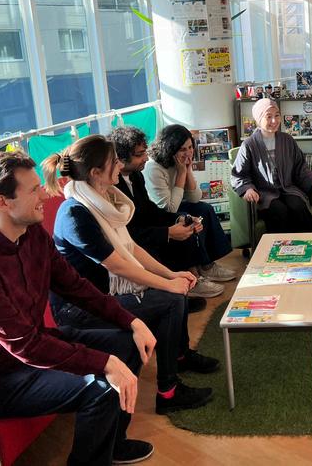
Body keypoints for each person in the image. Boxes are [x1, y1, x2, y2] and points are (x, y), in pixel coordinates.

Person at [0, 151, 157, 465]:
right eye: (33, 190)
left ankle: (113, 444)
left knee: (128, 343)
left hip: (37, 347)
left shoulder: (31, 235)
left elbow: (76, 287)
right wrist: (104, 362)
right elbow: (25, 346)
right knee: (103, 387)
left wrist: (131, 321)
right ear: (2, 202)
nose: (45, 194)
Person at [43, 135, 218, 416]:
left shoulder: (103, 199)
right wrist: (169, 284)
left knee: (175, 295)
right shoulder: (75, 213)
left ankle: (179, 358)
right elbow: (119, 266)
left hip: (103, 296)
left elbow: (132, 248)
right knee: (172, 299)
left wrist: (171, 275)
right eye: (114, 162)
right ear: (95, 173)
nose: (120, 165)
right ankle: (169, 392)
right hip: (79, 309)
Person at [109, 126, 236, 307]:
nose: (145, 158)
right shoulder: (121, 182)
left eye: (190, 147)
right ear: (120, 158)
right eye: (139, 154)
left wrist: (179, 219)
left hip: (149, 223)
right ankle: (190, 279)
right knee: (181, 224)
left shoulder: (135, 175)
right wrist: (168, 231)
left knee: (195, 214)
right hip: (135, 238)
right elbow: (134, 229)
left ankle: (203, 268)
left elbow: (152, 209)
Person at [143, 124, 235, 298]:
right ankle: (192, 277)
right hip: (159, 215)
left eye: (190, 147)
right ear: (170, 149)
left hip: (175, 206)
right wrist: (181, 174)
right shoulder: (153, 168)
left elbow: (195, 198)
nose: (188, 153)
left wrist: (188, 171)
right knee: (186, 218)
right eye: (182, 149)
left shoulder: (180, 164)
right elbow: (169, 208)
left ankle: (207, 265)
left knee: (205, 209)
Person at [230, 98, 312, 233]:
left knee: (298, 207)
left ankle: (305, 244)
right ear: (258, 119)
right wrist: (248, 189)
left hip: (288, 188)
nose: (274, 120)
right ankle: (281, 246)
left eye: (277, 115)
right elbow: (240, 174)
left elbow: (300, 167)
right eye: (268, 116)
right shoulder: (249, 144)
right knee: (279, 211)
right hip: (264, 193)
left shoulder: (287, 140)